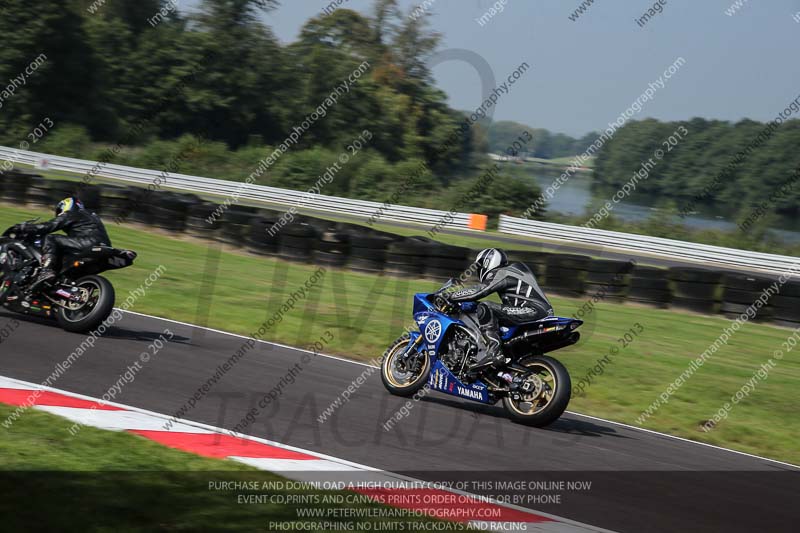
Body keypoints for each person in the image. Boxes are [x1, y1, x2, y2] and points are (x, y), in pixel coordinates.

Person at [448, 248, 553, 370]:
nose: (478, 271)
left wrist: (451, 296)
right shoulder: (514, 271)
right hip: (539, 312)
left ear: (486, 263)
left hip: (532, 310)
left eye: (479, 267)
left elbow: (480, 290)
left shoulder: (503, 272)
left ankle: (494, 352)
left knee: (486, 307)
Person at [17, 197, 112, 287]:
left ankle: (46, 271)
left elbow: (49, 226)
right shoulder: (92, 216)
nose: (59, 214)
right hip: (105, 248)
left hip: (88, 243)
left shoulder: (72, 213)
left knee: (51, 238)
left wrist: (28, 228)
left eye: (59, 211)